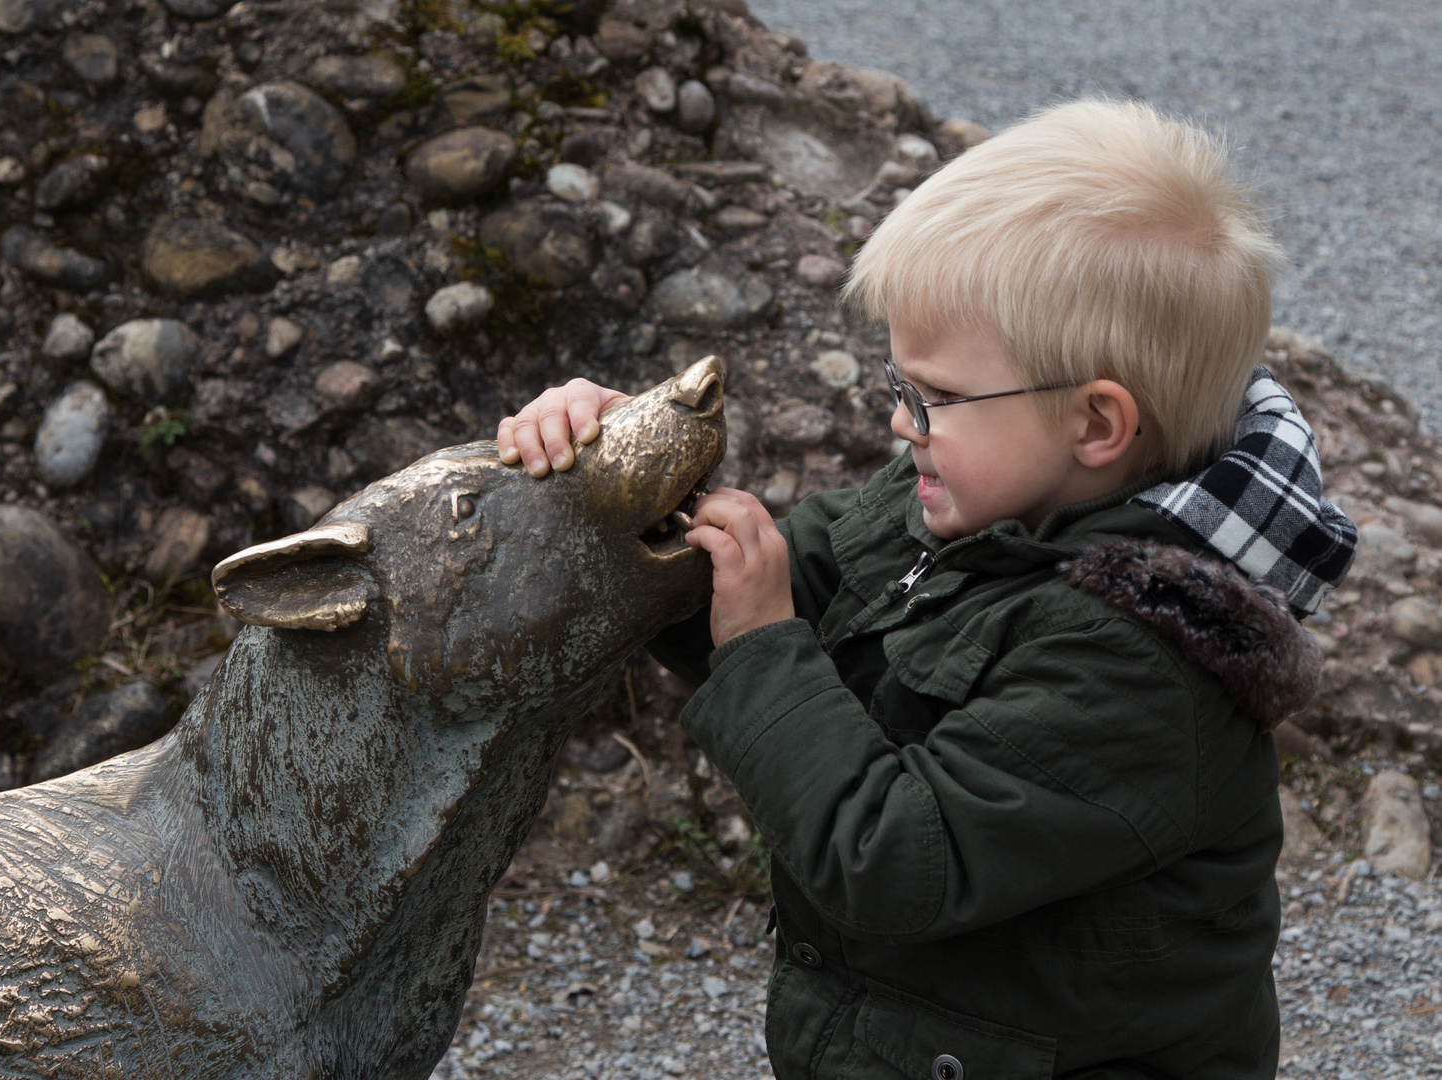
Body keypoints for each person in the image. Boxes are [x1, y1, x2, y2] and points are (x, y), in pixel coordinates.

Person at [496, 99, 1357, 1079]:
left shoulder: (1149, 657)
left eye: (936, 397)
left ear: (1095, 426)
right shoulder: (978, 504)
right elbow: (777, 578)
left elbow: (896, 860)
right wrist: (626, 483)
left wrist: (763, 648)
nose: (903, 424)